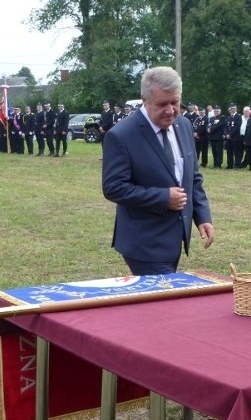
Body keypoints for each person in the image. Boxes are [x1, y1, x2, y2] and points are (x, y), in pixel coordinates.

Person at [102, 66, 215, 275]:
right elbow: (114, 188)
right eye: (162, 104)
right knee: (162, 303)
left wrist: (202, 216)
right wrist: (163, 198)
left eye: (175, 103)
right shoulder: (122, 135)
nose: (171, 110)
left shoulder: (184, 125)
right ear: (144, 100)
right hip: (144, 241)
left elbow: (193, 177)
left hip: (174, 238)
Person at [223, 103, 242, 169]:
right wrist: (226, 134)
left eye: (233, 108)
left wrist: (230, 134)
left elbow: (237, 127)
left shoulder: (239, 117)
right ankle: (230, 165)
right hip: (228, 138)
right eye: (231, 109)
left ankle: (237, 165)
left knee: (237, 152)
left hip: (236, 138)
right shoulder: (228, 118)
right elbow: (225, 127)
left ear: (236, 109)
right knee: (229, 152)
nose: (232, 110)